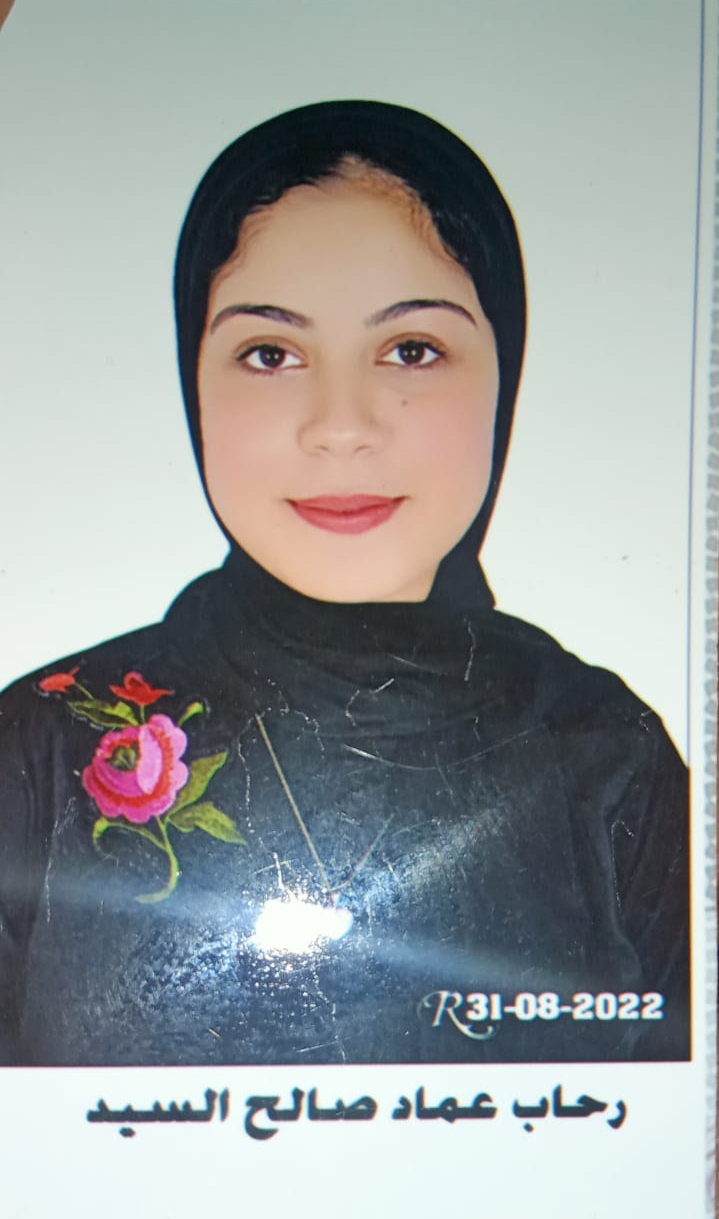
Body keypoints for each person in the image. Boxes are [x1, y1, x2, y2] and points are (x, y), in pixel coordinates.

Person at [0, 100, 689, 1065]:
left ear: (504, 375)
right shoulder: (40, 746)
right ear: (194, 381)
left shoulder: (605, 754)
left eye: (411, 350)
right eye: (270, 354)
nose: (341, 426)